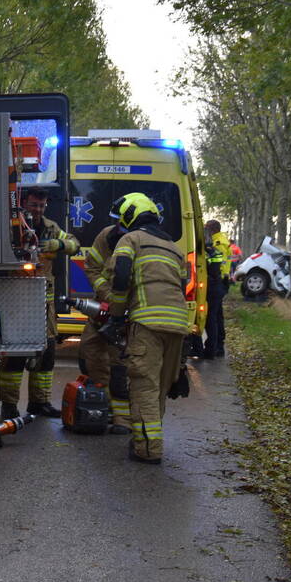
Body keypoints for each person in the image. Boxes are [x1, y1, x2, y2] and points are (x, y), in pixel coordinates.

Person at [98, 193, 189, 464]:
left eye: (121, 219)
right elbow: (181, 286)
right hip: (178, 324)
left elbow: (121, 277)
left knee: (144, 386)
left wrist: (116, 318)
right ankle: (149, 438)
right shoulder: (174, 247)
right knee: (160, 386)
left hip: (148, 322)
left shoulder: (131, 240)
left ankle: (148, 450)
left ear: (130, 215)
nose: (120, 226)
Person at [0, 187, 80, 419]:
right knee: (15, 356)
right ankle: (9, 406)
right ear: (23, 203)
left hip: (45, 305)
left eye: (42, 206)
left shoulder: (52, 228)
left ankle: (39, 403)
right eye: (34, 205)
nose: (38, 210)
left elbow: (75, 244)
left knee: (47, 354)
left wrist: (59, 245)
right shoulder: (12, 227)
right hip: (17, 302)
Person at [78, 222, 131, 433]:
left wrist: (120, 303)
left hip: (127, 311)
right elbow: (91, 267)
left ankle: (123, 418)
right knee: (88, 349)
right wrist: (107, 295)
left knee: (119, 363)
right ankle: (104, 404)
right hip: (103, 307)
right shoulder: (107, 235)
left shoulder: (139, 240)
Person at [203, 220, 231, 359]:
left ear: (212, 229)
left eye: (206, 228)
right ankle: (218, 346)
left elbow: (216, 263)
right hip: (222, 281)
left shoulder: (218, 243)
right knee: (218, 315)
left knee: (212, 317)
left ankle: (213, 348)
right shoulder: (222, 239)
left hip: (217, 281)